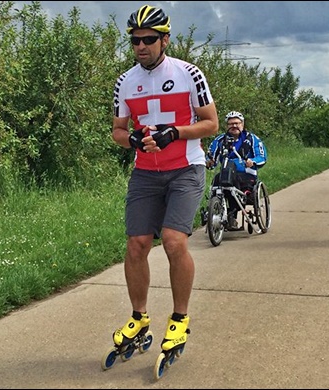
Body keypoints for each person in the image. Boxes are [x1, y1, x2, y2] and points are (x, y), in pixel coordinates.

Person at [111, 5, 218, 355]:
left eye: (148, 40)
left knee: (173, 241)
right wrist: (134, 141)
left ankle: (179, 319)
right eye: (135, 41)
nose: (141, 46)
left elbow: (211, 124)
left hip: (185, 168)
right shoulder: (125, 82)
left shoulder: (190, 74)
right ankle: (139, 318)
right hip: (145, 172)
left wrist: (176, 133)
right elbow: (117, 131)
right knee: (137, 244)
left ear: (165, 40)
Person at [206, 111, 267, 230]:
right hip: (226, 173)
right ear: (226, 126)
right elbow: (211, 157)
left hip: (246, 174)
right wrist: (209, 162)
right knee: (218, 180)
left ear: (242, 124)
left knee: (234, 183)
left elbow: (262, 157)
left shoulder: (252, 139)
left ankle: (231, 215)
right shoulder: (219, 140)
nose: (234, 126)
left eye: (237, 123)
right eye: (231, 124)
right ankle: (214, 212)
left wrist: (252, 161)